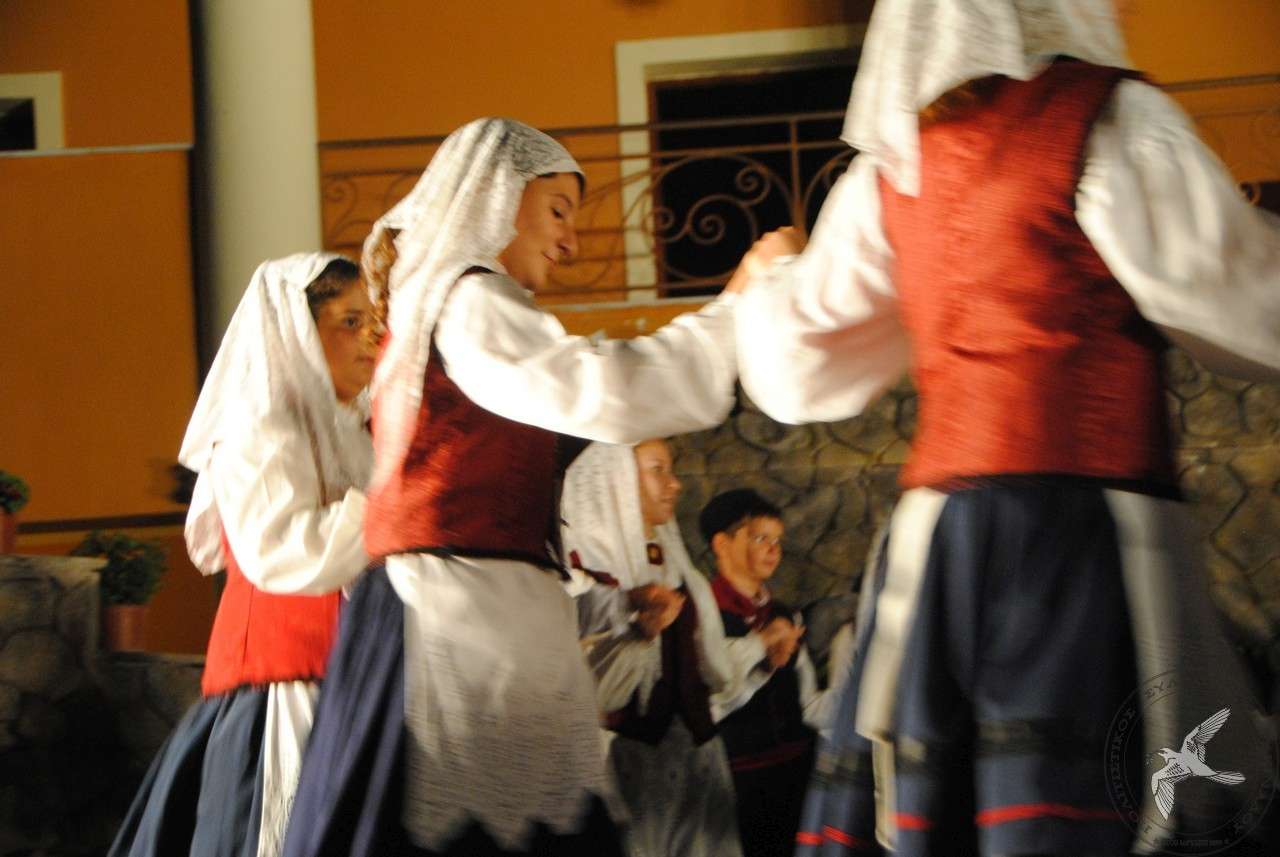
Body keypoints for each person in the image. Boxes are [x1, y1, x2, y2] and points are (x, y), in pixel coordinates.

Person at [732, 2, 1280, 855]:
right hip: (1084, 538)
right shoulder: (1106, 119)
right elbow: (1246, 297)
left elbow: (800, 372)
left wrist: (771, 282)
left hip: (939, 547)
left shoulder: (896, 162)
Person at [281, 118, 743, 857]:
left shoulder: (437, 304)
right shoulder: (472, 298)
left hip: (468, 605)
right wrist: (730, 318)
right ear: (497, 197)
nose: (570, 242)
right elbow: (591, 386)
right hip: (456, 613)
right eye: (558, 211)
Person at [109, 253, 376, 857]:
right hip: (283, 683)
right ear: (297, 330)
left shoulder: (357, 433)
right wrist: (389, 507)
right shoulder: (259, 429)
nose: (371, 339)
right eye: (350, 321)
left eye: (373, 322)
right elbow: (279, 549)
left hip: (353, 678)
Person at [561, 439, 743, 857]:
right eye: (657, 470)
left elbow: (705, 662)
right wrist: (632, 634)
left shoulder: (678, 565)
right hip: (624, 760)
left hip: (694, 752)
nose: (674, 484)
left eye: (670, 470)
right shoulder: (583, 567)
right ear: (617, 478)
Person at [699, 489, 850, 857]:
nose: (773, 550)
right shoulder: (701, 618)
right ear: (722, 544)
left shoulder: (784, 615)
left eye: (777, 541)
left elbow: (808, 705)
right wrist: (762, 656)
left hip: (797, 774)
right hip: (735, 782)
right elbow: (706, 706)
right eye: (759, 538)